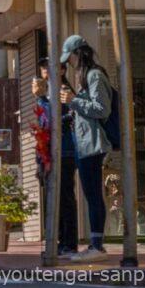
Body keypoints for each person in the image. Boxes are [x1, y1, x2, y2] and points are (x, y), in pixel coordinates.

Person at [59, 35, 113, 263]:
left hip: (92, 143)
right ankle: (95, 243)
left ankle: (97, 245)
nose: (69, 62)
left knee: (93, 195)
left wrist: (73, 100)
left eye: (70, 57)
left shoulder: (94, 75)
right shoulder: (85, 77)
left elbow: (102, 109)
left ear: (78, 53)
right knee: (91, 195)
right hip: (84, 143)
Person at [33, 56, 78, 258]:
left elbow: (56, 121)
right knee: (53, 197)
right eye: (43, 67)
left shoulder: (64, 92)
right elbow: (43, 123)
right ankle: (59, 241)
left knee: (64, 197)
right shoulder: (46, 94)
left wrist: (42, 98)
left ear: (61, 71)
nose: (45, 70)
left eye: (49, 67)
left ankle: (68, 243)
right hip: (47, 151)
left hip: (64, 151)